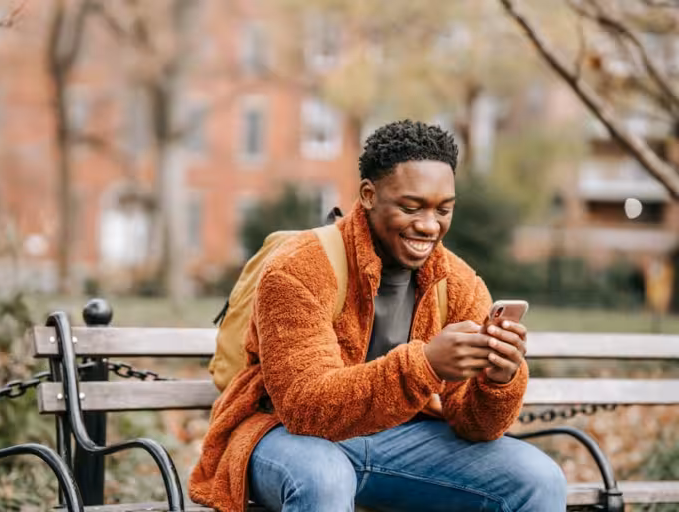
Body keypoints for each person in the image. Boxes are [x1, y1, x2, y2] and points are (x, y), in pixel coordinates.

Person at [190, 120, 567, 512]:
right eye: (410, 207)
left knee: (538, 479)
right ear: (369, 195)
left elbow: (475, 425)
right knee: (324, 477)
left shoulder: (458, 283)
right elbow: (305, 409)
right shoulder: (300, 266)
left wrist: (498, 379)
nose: (429, 225)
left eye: (443, 209)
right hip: (283, 436)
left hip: (400, 443)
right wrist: (425, 364)